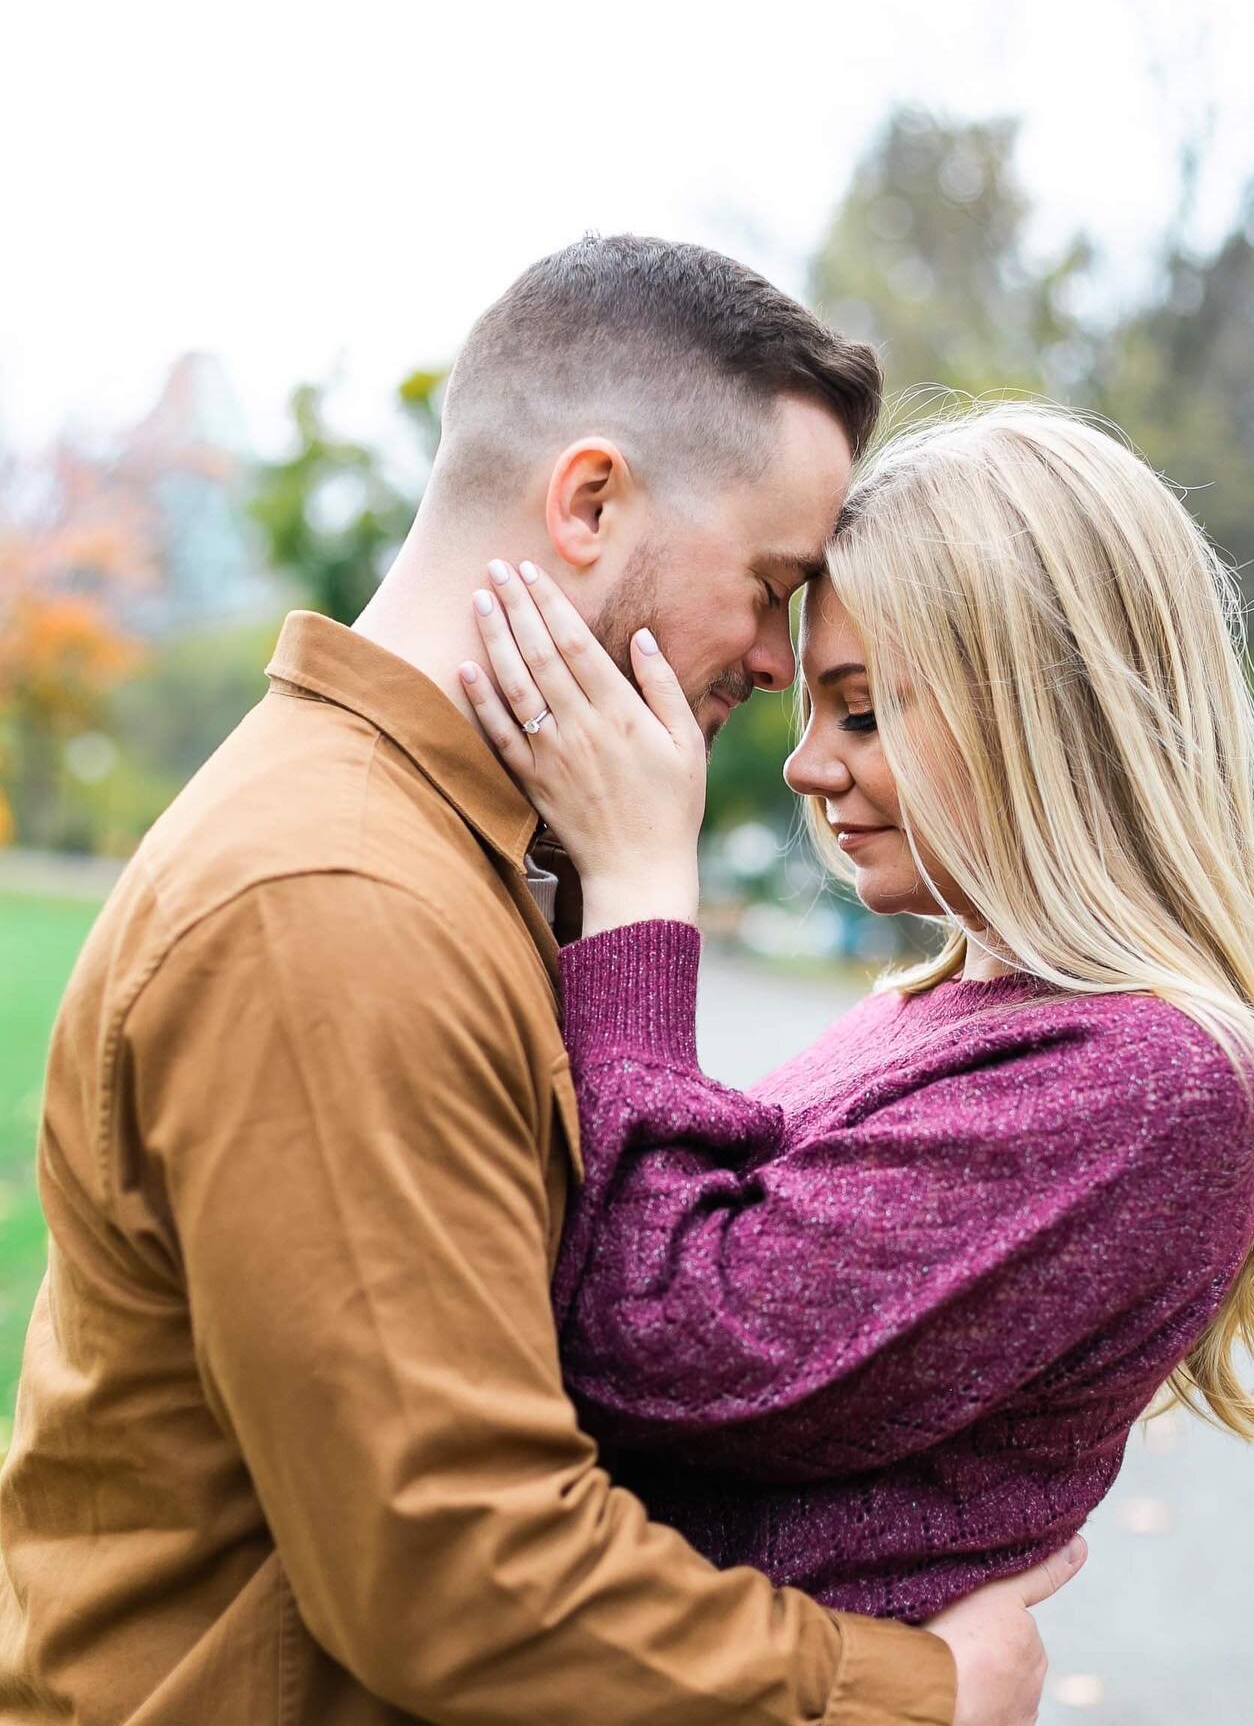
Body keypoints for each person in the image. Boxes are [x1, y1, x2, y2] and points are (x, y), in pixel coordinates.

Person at [0, 239, 1082, 1725]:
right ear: (589, 503)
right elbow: (460, 1569)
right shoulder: (338, 901)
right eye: (769, 585)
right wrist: (909, 1692)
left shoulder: (450, 859)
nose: (777, 658)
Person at [457, 400, 1254, 1618]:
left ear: (1050, 716)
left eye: (867, 711)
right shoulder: (949, 1010)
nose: (806, 764)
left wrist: (635, 890)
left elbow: (661, 1338)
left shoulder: (1152, 1079)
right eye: (819, 708)